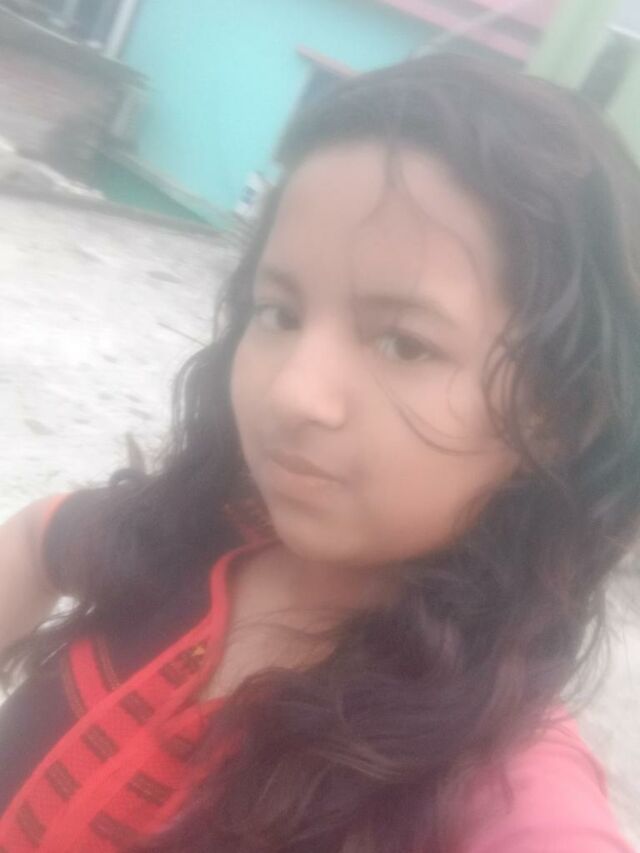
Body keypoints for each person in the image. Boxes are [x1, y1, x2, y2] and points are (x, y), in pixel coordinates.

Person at [1, 53, 639, 853]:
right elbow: (40, 534)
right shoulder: (190, 537)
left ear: (558, 413)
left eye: (404, 343)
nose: (293, 392)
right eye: (279, 312)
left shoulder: (475, 765)